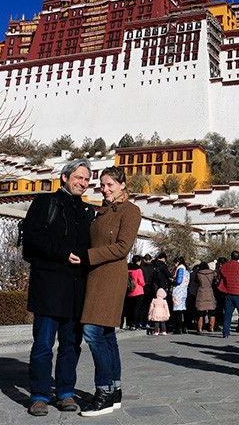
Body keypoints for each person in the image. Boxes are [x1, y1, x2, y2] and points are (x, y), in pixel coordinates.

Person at [23, 159, 93, 416]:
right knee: (43, 345)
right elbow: (32, 237)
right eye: (78, 177)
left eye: (86, 179)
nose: (82, 183)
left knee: (71, 344)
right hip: (49, 286)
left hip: (77, 288)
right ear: (64, 177)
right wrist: (63, 254)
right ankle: (39, 395)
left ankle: (65, 392)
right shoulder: (45, 203)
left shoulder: (87, 212)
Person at [78, 166, 141, 417]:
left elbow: (123, 247)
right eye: (102, 185)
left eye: (110, 185)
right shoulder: (101, 212)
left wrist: (88, 256)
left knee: (92, 331)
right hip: (94, 276)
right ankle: (114, 390)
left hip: (111, 277)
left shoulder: (131, 211)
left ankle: (102, 392)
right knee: (106, 334)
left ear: (123, 185)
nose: (104, 189)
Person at [217, 251, 239, 337]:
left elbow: (219, 277)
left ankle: (225, 333)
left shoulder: (224, 266)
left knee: (228, 313)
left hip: (227, 291)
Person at [123, 255, 145, 330]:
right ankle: (134, 324)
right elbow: (141, 281)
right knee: (136, 308)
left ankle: (128, 324)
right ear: (138, 261)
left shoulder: (127, 268)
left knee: (129, 308)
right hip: (138, 291)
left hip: (129, 291)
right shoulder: (139, 269)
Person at [193, 262, 216, 334]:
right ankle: (211, 327)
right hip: (209, 291)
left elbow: (196, 281)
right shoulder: (212, 273)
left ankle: (199, 328)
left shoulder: (198, 273)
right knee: (212, 311)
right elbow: (214, 281)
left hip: (201, 292)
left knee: (200, 311)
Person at [170, 256, 189, 334]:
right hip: (184, 291)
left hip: (178, 291)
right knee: (183, 310)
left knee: (178, 311)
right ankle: (184, 327)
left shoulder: (180, 268)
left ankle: (178, 328)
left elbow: (179, 281)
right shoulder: (186, 269)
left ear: (177, 263)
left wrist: (173, 280)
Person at [138, 254, 156, 330]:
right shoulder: (154, 268)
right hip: (151, 287)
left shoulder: (141, 268)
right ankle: (148, 322)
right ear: (151, 259)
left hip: (144, 287)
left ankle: (140, 322)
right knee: (150, 306)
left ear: (144, 260)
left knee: (142, 305)